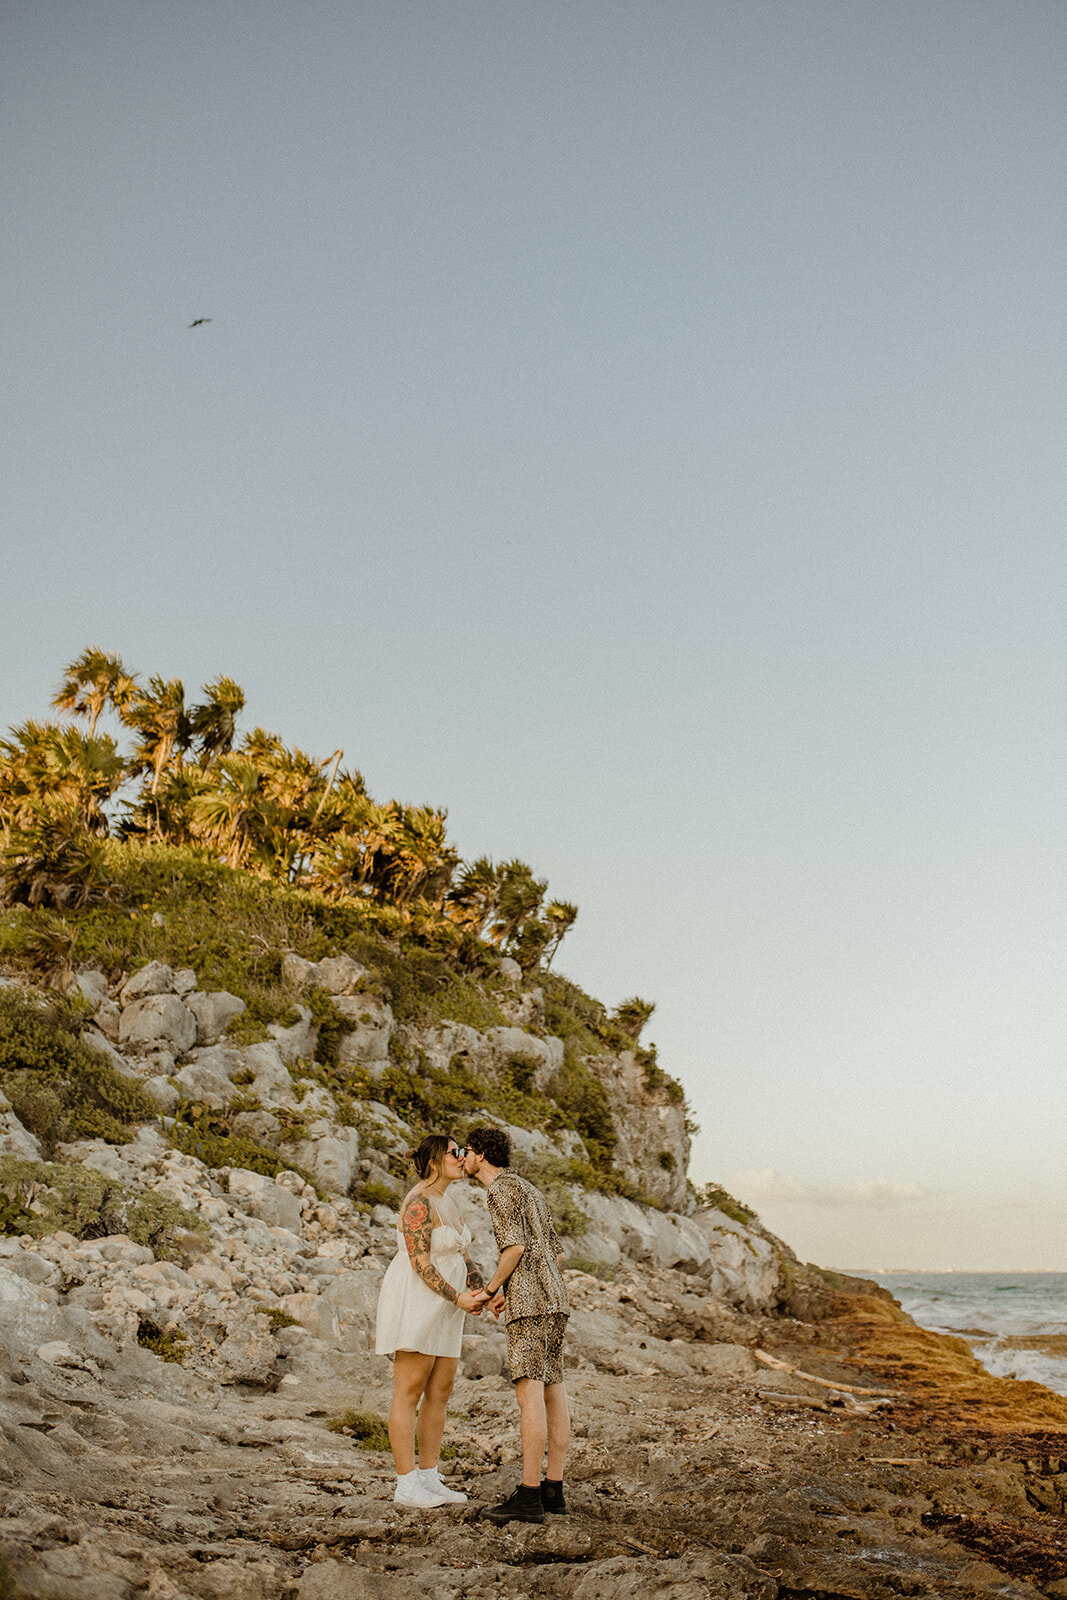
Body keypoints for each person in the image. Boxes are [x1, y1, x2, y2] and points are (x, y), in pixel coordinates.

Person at [464, 1125, 571, 1525]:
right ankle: (553, 1490)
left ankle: (527, 1496)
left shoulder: (499, 1191)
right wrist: (515, 1284)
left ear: (479, 1154)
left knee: (529, 1395)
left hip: (531, 1306)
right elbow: (556, 1255)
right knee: (554, 1392)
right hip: (556, 1300)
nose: (464, 1158)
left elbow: (516, 1247)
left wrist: (493, 1289)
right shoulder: (528, 1188)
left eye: (466, 1150)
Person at [375, 1134, 489, 1508]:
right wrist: (457, 1295)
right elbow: (419, 1262)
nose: (461, 1157)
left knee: (440, 1391)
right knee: (408, 1392)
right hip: (419, 1301)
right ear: (435, 1160)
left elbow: (462, 1254)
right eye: (454, 1153)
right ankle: (405, 1484)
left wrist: (483, 1291)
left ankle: (428, 1474)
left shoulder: (449, 1200)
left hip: (448, 1307)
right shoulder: (419, 1201)